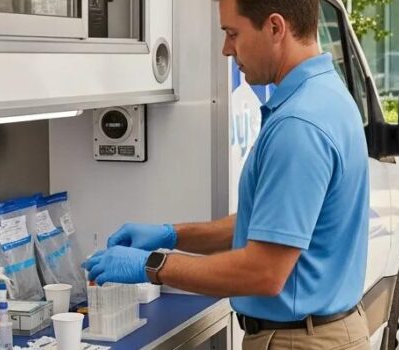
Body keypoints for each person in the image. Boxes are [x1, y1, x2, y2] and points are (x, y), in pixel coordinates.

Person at [82, 1, 372, 349]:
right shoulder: (326, 95)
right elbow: (269, 226)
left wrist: (152, 264)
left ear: (275, 28)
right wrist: (172, 235)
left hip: (299, 341)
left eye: (233, 34)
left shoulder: (298, 125)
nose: (226, 49)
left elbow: (263, 271)